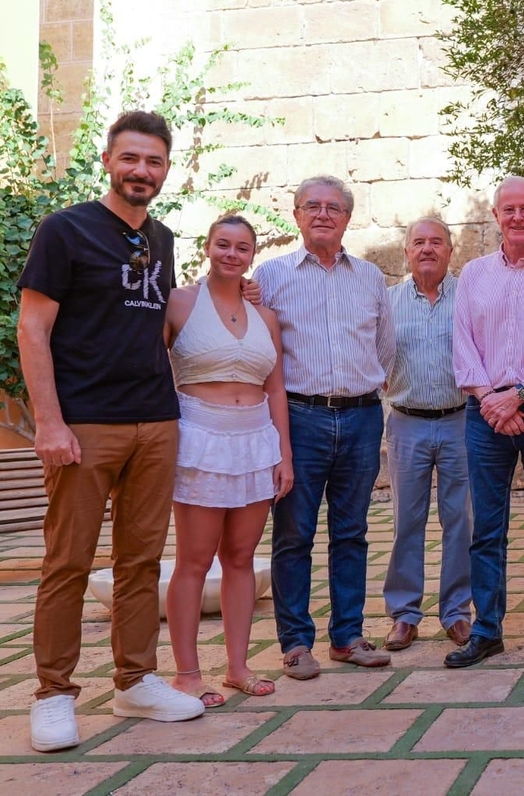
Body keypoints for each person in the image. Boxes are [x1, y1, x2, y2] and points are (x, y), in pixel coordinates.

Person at [18, 111, 206, 751]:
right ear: (108, 160)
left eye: (153, 162)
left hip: (155, 420)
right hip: (84, 425)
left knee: (142, 560)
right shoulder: (64, 230)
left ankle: (135, 681)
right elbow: (33, 328)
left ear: (165, 170)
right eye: (131, 159)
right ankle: (52, 694)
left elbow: (157, 323)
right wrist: (49, 422)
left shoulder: (164, 237)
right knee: (67, 562)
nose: (141, 172)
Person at [254, 175, 396, 679]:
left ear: (347, 218)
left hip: (361, 416)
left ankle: (348, 636)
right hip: (298, 417)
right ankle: (295, 642)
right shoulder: (270, 276)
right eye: (311, 206)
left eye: (333, 207)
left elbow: (385, 348)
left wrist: (363, 392)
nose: (322, 214)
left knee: (352, 532)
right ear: (296, 215)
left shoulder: (371, 278)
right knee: (293, 533)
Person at [164, 215, 292, 706]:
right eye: (223, 244)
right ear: (208, 247)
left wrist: (285, 454)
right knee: (194, 560)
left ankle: (237, 667)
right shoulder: (179, 303)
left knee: (240, 559)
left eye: (242, 247)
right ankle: (188, 673)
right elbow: (152, 370)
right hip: (200, 437)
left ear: (251, 255)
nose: (231, 254)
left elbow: (275, 386)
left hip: (255, 440)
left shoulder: (266, 316)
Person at [448, 176, 524, 669]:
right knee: (488, 527)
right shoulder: (474, 275)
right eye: (508, 209)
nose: (517, 217)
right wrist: (490, 400)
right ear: (495, 216)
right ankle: (487, 630)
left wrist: (518, 395)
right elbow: (463, 343)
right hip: (485, 415)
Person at [382, 217, 474, 651]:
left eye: (436, 242)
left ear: (451, 250)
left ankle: (457, 612)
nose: (427, 249)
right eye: (418, 242)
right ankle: (404, 614)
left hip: (461, 419)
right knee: (406, 521)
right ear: (406, 251)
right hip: (406, 421)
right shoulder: (388, 301)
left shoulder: (469, 296)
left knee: (460, 520)